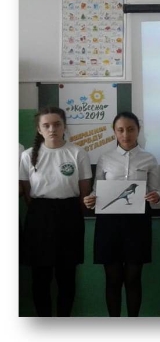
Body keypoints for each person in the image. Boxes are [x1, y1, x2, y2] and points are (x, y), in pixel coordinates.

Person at [83, 112, 160, 317]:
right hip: (109, 223)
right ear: (114, 132)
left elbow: (156, 190)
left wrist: (155, 196)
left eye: (131, 129)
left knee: (133, 277)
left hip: (138, 222)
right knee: (113, 278)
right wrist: (90, 198)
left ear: (138, 130)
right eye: (121, 130)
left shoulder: (149, 158)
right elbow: (96, 189)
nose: (126, 134)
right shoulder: (105, 158)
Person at [19, 107, 92, 317]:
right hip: (39, 217)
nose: (52, 129)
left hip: (70, 215)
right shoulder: (27, 156)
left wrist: (70, 214)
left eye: (57, 124)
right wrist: (44, 211)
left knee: (66, 276)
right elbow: (27, 193)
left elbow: (84, 192)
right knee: (40, 277)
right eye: (46, 125)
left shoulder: (77, 152)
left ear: (64, 126)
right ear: (39, 129)